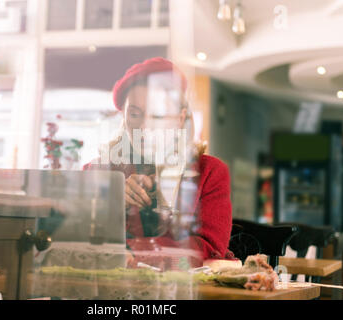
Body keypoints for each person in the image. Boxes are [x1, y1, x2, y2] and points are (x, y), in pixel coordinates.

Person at [84, 57, 234, 269]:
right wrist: (113, 201)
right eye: (135, 114)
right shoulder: (98, 171)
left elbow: (210, 250)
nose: (144, 127)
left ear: (180, 119)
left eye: (158, 115)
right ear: (124, 116)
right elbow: (78, 241)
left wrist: (132, 252)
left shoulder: (209, 172)